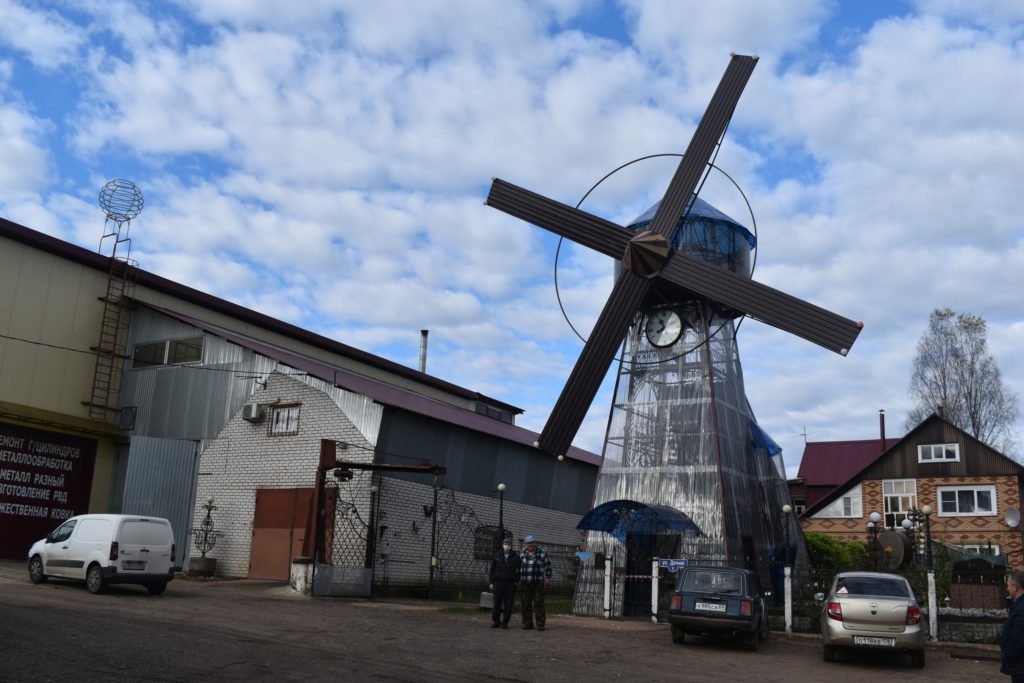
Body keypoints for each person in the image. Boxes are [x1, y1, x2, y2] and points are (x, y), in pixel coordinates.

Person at [519, 534, 552, 631]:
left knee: (539, 603)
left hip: (538, 582)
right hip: (525, 582)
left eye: (532, 543)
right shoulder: (522, 553)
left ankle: (540, 624)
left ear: (535, 543)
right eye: (528, 543)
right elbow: (518, 566)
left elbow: (548, 566)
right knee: (525, 604)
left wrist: (548, 578)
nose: (530, 545)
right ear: (526, 544)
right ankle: (527, 623)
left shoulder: (542, 552)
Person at [488, 535, 520, 629]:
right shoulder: (497, 555)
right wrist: (491, 582)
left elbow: (518, 570)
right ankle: (496, 621)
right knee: (496, 603)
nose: (507, 546)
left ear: (511, 545)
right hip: (498, 583)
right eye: (505, 544)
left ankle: (505, 623)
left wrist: (516, 581)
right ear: (502, 545)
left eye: (509, 544)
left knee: (508, 604)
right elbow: (492, 569)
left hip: (510, 584)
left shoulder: (515, 556)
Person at [1001, 571, 1024, 681]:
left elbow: (1019, 639)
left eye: (1009, 585)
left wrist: (1007, 655)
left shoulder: (1021, 608)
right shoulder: (1019, 605)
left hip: (1020, 665)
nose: (1007, 589)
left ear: (1015, 587)